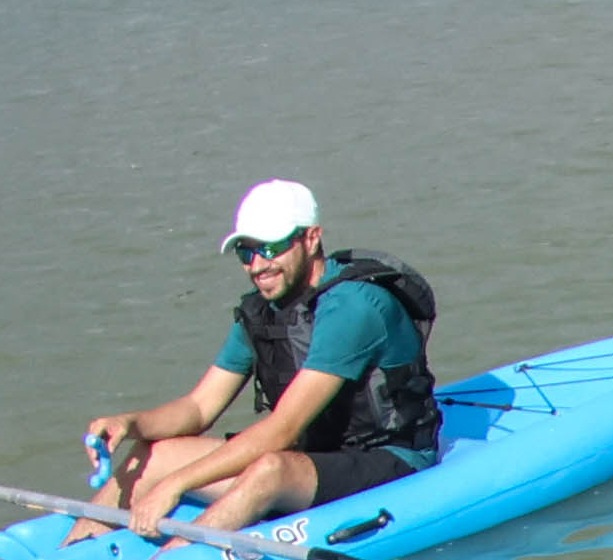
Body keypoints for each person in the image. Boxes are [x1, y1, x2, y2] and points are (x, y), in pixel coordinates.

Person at [89, 181, 440, 533]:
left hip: (388, 457)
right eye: (246, 252)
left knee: (270, 470)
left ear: (312, 238)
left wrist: (175, 484)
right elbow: (199, 408)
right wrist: (130, 424)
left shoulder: (353, 306)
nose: (257, 266)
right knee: (155, 454)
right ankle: (70, 552)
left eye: (270, 248)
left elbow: (281, 432)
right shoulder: (263, 311)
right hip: (314, 453)